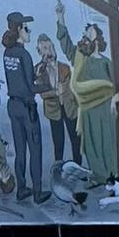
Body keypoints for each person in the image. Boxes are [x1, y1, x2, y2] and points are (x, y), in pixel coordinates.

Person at [56, 2, 119, 187]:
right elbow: (67, 45)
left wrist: (117, 97)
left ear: (97, 41)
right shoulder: (80, 59)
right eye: (85, 33)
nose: (85, 36)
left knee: (107, 143)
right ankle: (98, 175)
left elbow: (117, 86)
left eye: (90, 33)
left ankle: (112, 176)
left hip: (105, 110)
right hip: (87, 109)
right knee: (91, 144)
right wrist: (61, 18)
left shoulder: (106, 63)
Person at [2, 12, 45, 202]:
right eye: (26, 28)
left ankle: (21, 188)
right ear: (19, 29)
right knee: (35, 149)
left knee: (20, 150)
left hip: (13, 105)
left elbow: (19, 78)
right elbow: (30, 87)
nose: (29, 31)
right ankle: (37, 192)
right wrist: (50, 85)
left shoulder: (7, 52)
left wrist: (34, 72)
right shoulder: (25, 54)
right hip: (28, 107)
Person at [35, 32, 80, 166]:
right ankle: (58, 169)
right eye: (45, 48)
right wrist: (55, 92)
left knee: (76, 140)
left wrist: (64, 90)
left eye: (50, 47)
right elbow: (42, 94)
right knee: (58, 142)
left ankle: (78, 167)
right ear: (39, 52)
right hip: (54, 111)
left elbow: (70, 87)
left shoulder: (65, 68)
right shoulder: (38, 71)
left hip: (70, 108)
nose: (49, 51)